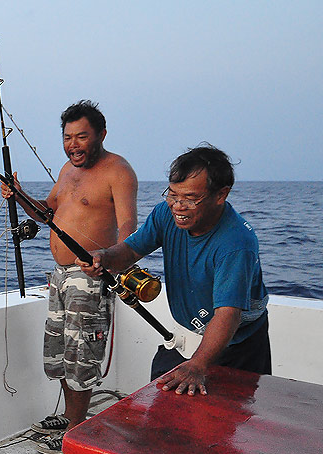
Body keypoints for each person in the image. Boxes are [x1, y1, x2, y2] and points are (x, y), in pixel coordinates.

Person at [1, 100, 138, 454]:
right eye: (67, 137)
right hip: (59, 277)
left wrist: (115, 262)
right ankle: (69, 415)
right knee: (60, 353)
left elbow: (128, 226)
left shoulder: (118, 171)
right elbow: (46, 214)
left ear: (101, 135)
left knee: (83, 354)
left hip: (90, 277)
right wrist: (19, 195)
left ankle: (77, 429)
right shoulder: (67, 170)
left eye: (81, 136)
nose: (73, 144)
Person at [81, 144, 270, 395]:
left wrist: (198, 364)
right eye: (172, 194)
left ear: (221, 195)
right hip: (183, 337)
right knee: (162, 403)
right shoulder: (165, 214)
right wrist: (104, 257)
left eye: (190, 199)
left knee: (229, 423)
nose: (178, 206)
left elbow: (227, 315)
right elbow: (131, 250)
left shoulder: (236, 244)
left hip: (237, 346)